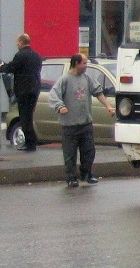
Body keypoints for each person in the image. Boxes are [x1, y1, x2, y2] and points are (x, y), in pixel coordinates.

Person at [48, 53, 115, 188]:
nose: (86, 66)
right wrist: (60, 106)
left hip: (85, 123)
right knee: (70, 154)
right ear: (76, 64)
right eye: (84, 63)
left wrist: (108, 106)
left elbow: (98, 92)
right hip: (70, 125)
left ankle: (86, 174)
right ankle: (71, 178)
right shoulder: (65, 79)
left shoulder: (86, 78)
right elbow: (53, 95)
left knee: (89, 151)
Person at [0, 33, 42, 151]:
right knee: (29, 116)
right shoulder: (36, 55)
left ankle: (30, 144)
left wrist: (0, 67)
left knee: (24, 117)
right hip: (35, 90)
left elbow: (11, 68)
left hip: (24, 90)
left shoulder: (20, 55)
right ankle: (32, 142)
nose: (17, 44)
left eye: (17, 42)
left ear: (21, 42)